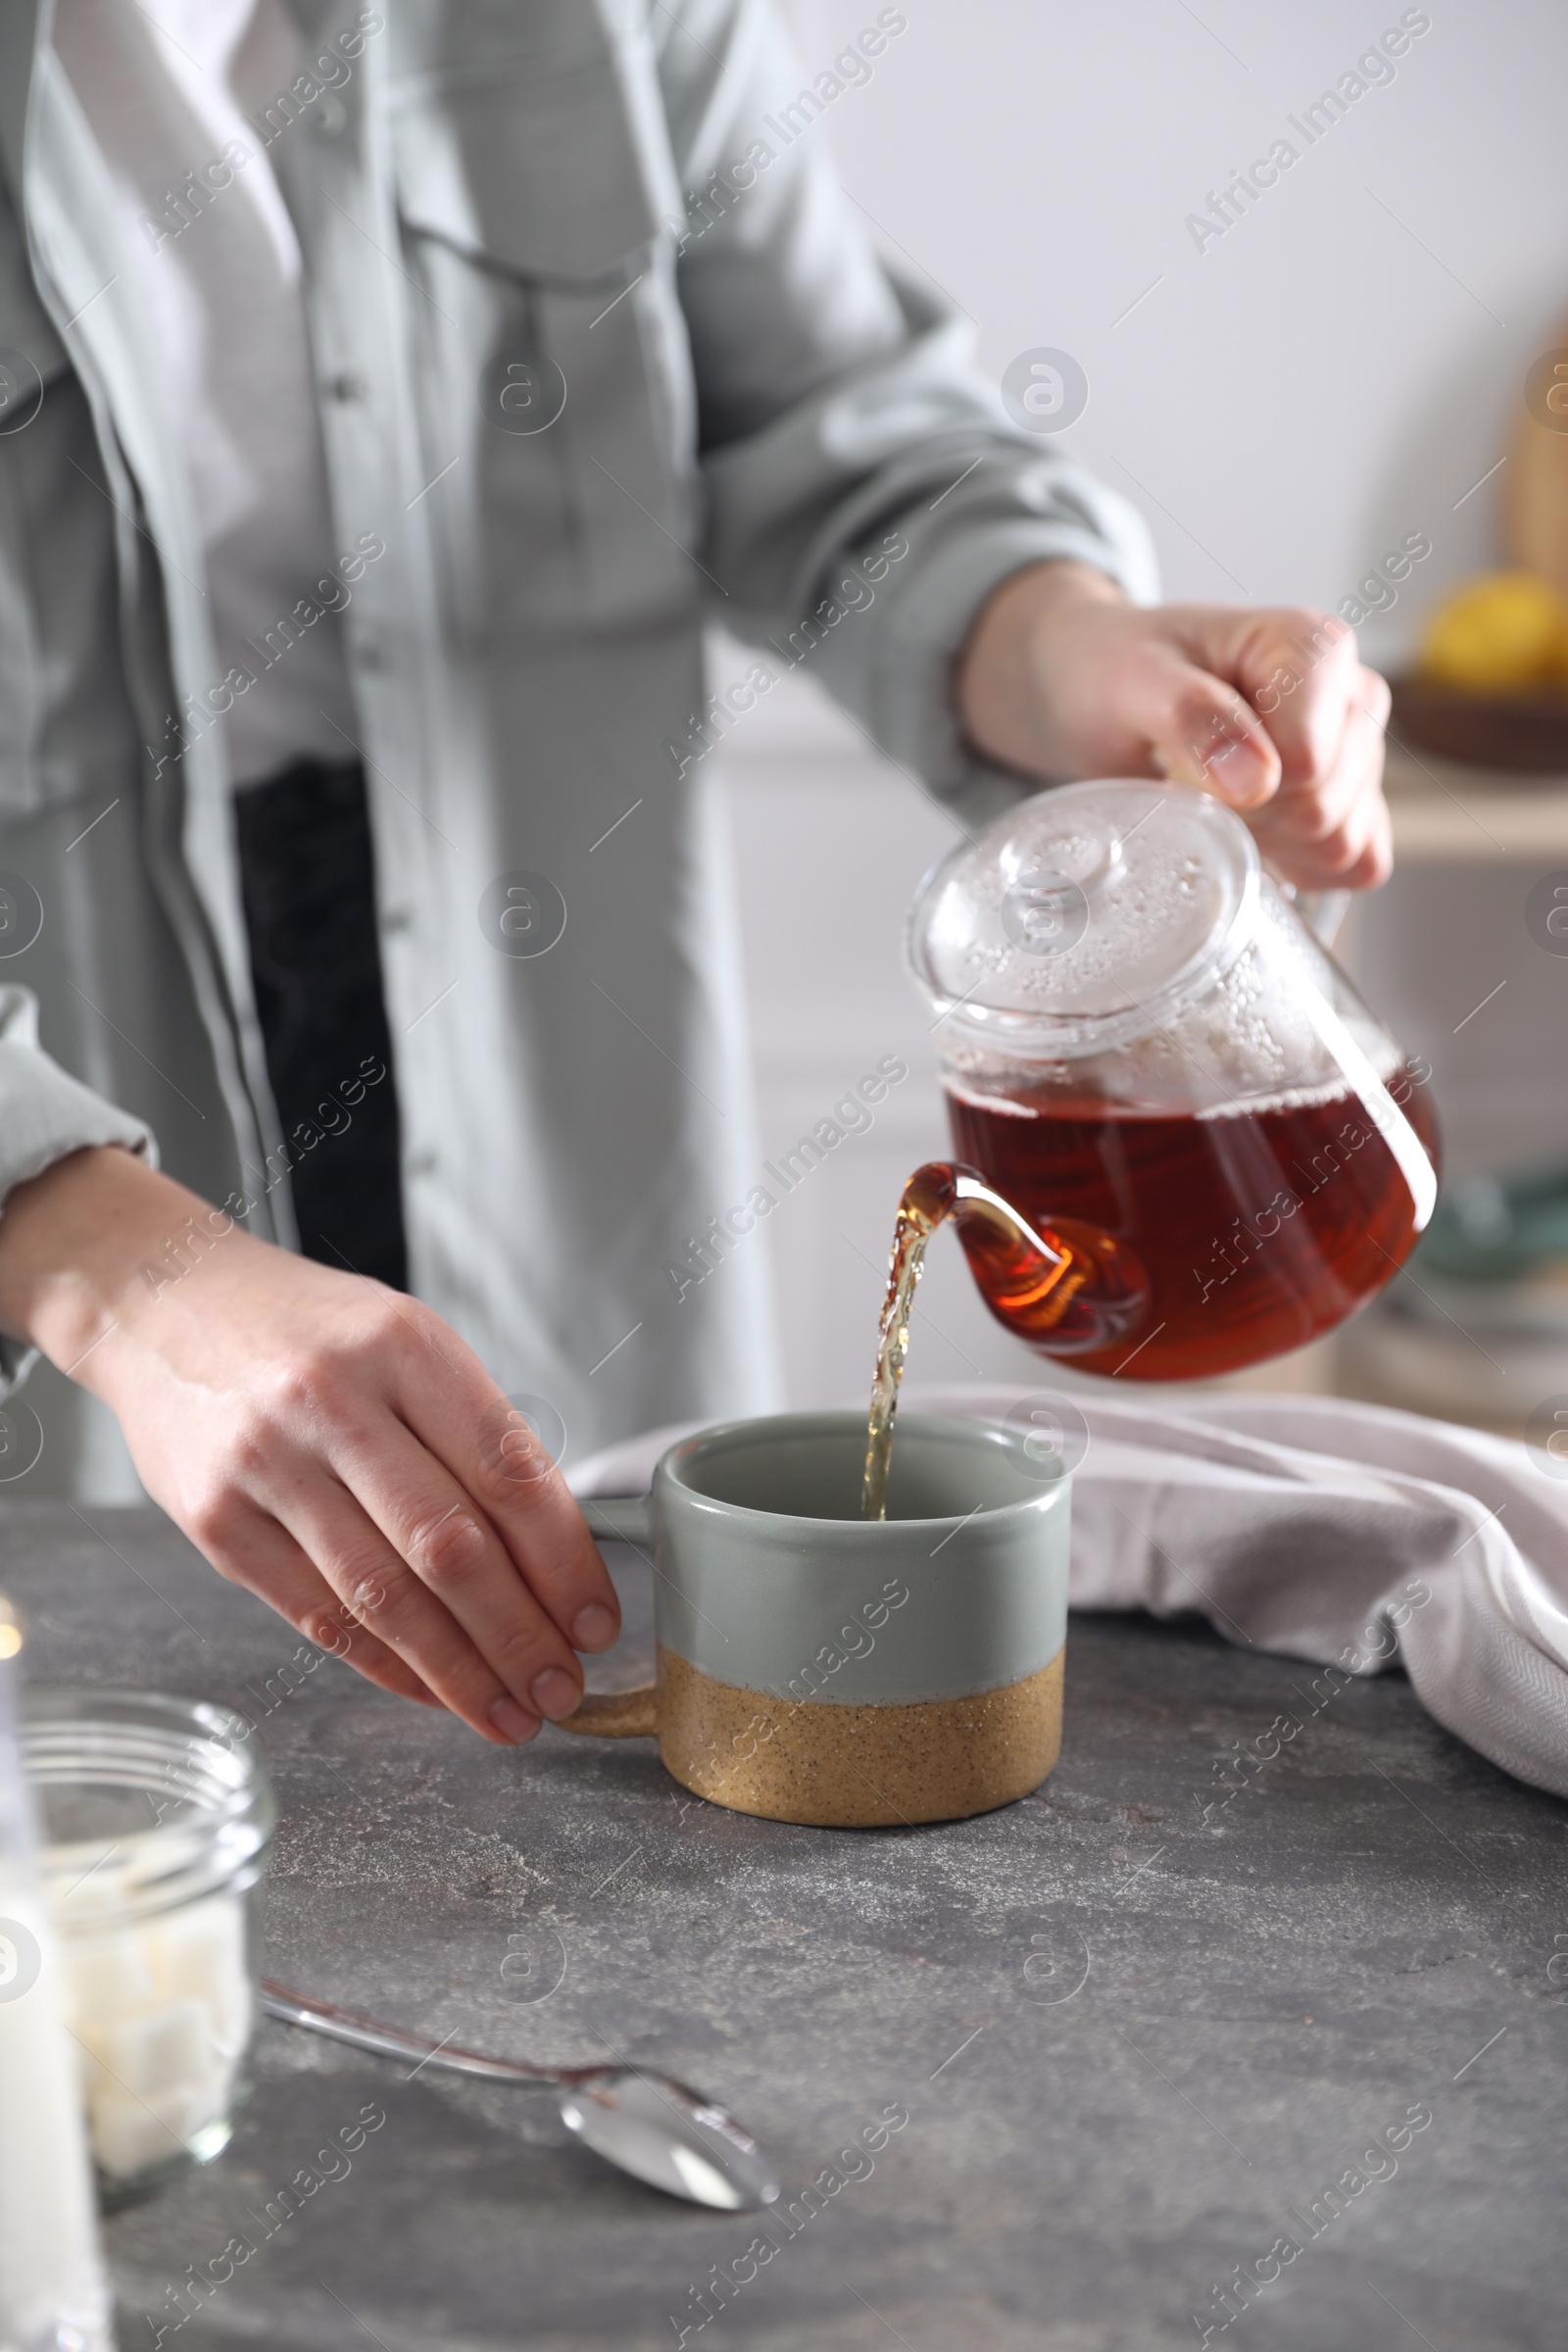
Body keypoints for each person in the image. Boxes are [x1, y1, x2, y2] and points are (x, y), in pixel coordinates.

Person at [0, 0, 1392, 1747]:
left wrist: (1070, 643)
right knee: (125, 1845)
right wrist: (109, 1270)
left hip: (552, 1057)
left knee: (597, 1731)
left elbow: (830, 439)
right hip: (54, 1092)